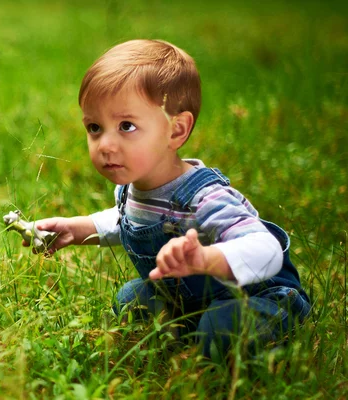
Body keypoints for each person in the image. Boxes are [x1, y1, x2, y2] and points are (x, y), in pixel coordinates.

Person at [24, 39, 311, 360]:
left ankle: (259, 328)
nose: (105, 144)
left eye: (126, 126)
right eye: (94, 127)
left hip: (255, 295)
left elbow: (266, 249)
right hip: (190, 297)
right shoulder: (135, 188)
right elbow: (128, 220)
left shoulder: (204, 195)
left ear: (176, 130)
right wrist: (76, 230)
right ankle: (191, 329)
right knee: (130, 299)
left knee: (221, 329)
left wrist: (208, 258)